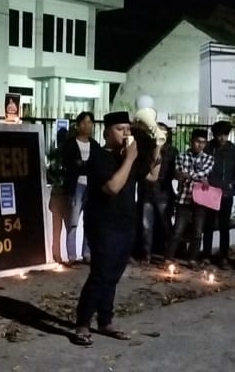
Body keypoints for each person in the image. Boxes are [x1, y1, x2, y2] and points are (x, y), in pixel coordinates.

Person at [74, 111, 161, 346]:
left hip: (126, 223)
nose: (125, 133)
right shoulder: (99, 157)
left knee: (113, 275)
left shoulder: (126, 157)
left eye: (128, 129)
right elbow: (112, 188)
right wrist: (129, 160)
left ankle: (105, 320)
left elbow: (153, 175)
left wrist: (158, 146)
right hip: (103, 224)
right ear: (106, 132)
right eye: (120, 129)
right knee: (101, 274)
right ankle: (82, 323)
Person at [164, 129, 214, 269]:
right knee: (178, 230)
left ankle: (192, 259)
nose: (200, 145)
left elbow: (203, 172)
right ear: (192, 142)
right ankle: (168, 258)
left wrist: (187, 175)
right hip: (183, 199)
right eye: (197, 141)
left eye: (203, 142)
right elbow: (180, 174)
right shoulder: (181, 156)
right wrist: (197, 177)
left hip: (201, 201)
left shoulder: (209, 158)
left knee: (197, 232)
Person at [202, 121, 235, 269]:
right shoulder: (208, 148)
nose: (222, 138)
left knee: (224, 226)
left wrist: (233, 183)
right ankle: (206, 255)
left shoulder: (233, 150)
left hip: (226, 193)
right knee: (208, 225)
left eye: (225, 135)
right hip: (210, 192)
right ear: (214, 135)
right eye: (219, 135)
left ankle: (224, 256)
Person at [61, 112, 99, 265]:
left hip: (91, 185)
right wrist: (83, 166)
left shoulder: (94, 145)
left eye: (89, 122)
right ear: (78, 125)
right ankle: (71, 255)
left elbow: (96, 165)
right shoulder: (71, 144)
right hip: (76, 185)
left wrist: (84, 165)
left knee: (89, 221)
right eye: (84, 122)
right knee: (73, 221)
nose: (87, 126)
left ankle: (86, 253)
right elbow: (69, 164)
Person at [138, 122, 178, 263]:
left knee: (165, 224)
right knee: (146, 226)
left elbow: (173, 171)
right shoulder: (147, 148)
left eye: (164, 131)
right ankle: (146, 254)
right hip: (147, 192)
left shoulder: (172, 151)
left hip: (163, 192)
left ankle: (168, 255)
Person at [48, 127, 70, 263]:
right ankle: (64, 255)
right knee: (67, 227)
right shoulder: (66, 154)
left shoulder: (55, 155)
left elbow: (49, 173)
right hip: (63, 194)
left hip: (58, 194)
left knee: (58, 229)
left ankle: (57, 255)